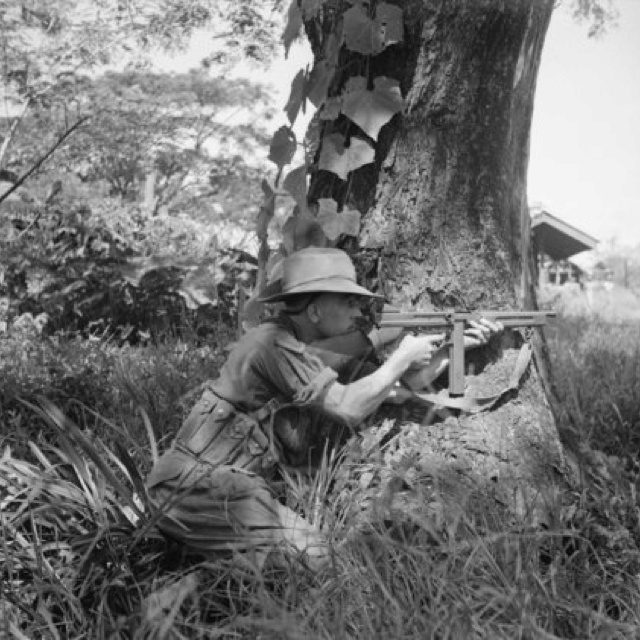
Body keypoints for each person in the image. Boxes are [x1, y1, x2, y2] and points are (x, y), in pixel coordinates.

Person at [146, 247, 501, 568]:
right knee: (317, 561)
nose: (358, 309)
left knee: (266, 570)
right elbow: (349, 406)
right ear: (314, 310)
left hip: (222, 489)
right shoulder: (270, 343)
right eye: (346, 301)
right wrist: (401, 356)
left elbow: (390, 390)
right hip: (194, 486)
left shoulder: (309, 353)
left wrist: (452, 350)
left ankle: (166, 606)